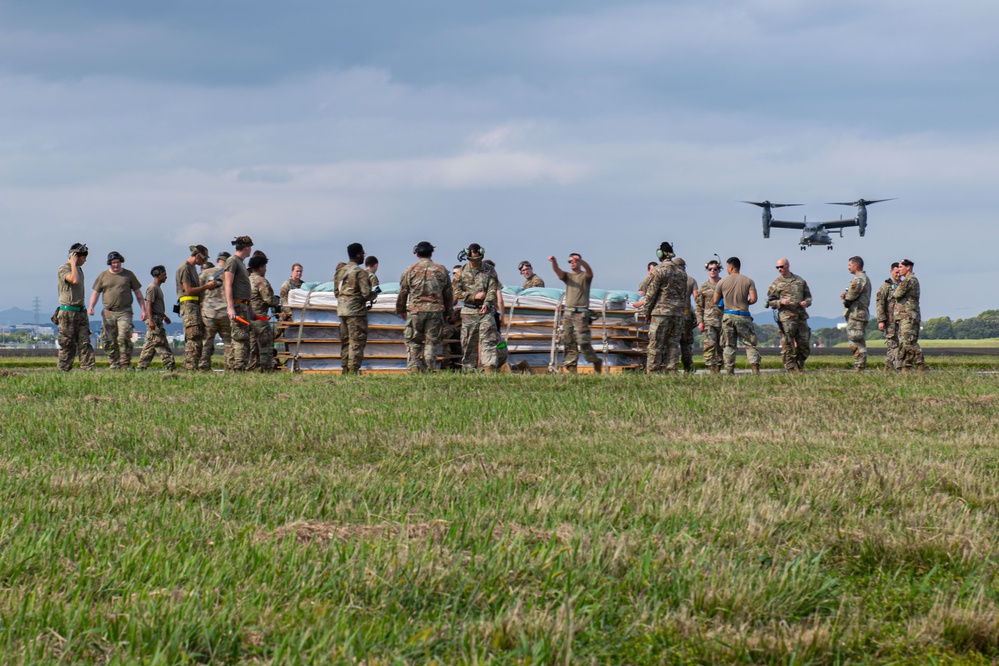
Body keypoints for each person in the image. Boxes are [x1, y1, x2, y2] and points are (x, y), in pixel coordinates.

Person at [396, 241, 454, 373]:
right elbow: (448, 294)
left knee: (413, 340)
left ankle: (414, 366)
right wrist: (448, 312)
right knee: (431, 342)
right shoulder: (441, 270)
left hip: (416, 311)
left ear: (417, 253)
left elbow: (403, 292)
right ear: (431, 253)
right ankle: (429, 367)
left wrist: (401, 310)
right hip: (435, 311)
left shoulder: (410, 270)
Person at [88, 251, 145, 369]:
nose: (116, 265)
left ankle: (125, 362)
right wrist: (91, 307)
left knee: (123, 336)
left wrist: (143, 310)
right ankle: (114, 363)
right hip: (108, 312)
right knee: (109, 339)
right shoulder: (103, 276)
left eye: (118, 262)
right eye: (113, 263)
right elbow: (96, 293)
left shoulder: (128, 275)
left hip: (124, 311)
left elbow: (138, 293)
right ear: (110, 263)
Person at [549, 252, 602, 374]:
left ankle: (595, 361)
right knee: (568, 341)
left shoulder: (585, 277)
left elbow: (589, 271)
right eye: (570, 261)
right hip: (568, 313)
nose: (572, 263)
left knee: (583, 341)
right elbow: (557, 271)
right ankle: (572, 369)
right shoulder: (568, 276)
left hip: (581, 314)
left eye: (574, 261)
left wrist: (581, 261)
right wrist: (554, 262)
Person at [454, 244, 503, 372]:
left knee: (488, 340)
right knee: (469, 342)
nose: (475, 262)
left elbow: (492, 289)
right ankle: (469, 369)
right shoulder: (461, 272)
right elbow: (456, 292)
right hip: (468, 312)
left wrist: (487, 303)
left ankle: (489, 367)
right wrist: (473, 296)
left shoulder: (490, 270)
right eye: (473, 260)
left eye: (477, 259)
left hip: (486, 311)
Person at [641, 243, 687, 373]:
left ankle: (652, 371)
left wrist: (646, 312)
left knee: (656, 343)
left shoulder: (658, 270)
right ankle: (672, 370)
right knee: (673, 344)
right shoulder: (681, 272)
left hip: (660, 313)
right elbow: (683, 294)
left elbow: (651, 294)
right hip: (677, 313)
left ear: (660, 254)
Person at [713, 256, 760, 375]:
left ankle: (729, 371)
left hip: (728, 315)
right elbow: (754, 299)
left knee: (729, 345)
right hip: (743, 315)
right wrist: (745, 302)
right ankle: (755, 369)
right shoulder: (748, 281)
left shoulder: (722, 282)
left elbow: (715, 300)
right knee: (750, 344)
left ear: (731, 267)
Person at [175, 245, 218, 371]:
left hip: (195, 305)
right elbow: (188, 290)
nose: (204, 261)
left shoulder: (192, 268)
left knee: (198, 336)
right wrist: (206, 287)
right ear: (198, 256)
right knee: (193, 337)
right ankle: (190, 367)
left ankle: (194, 365)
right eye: (204, 258)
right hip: (189, 305)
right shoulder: (184, 268)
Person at [333, 243, 373, 374]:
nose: (363, 256)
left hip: (342, 310)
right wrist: (375, 294)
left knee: (345, 341)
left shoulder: (340, 271)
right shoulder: (361, 273)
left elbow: (336, 292)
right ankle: (353, 371)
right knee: (356, 342)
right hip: (356, 312)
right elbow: (366, 294)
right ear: (358, 255)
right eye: (363, 254)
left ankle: (345, 368)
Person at [55, 242, 96, 371]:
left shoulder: (78, 269)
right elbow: (74, 280)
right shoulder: (64, 268)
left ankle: (88, 369)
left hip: (80, 311)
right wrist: (72, 263)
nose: (85, 260)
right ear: (75, 256)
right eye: (83, 258)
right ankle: (63, 370)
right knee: (68, 344)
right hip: (68, 312)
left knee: (85, 343)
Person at [767, 258, 812, 372]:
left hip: (801, 316)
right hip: (786, 318)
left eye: (781, 267)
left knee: (804, 344)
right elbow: (770, 301)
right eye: (777, 267)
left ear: (787, 266)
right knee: (788, 345)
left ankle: (799, 365)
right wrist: (780, 302)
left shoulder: (799, 280)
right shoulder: (776, 283)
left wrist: (806, 302)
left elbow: (808, 296)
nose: (779, 269)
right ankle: (791, 368)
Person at [223, 236, 255, 372]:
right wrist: (230, 307)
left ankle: (232, 367)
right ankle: (238, 368)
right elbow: (228, 284)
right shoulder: (232, 261)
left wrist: (250, 307)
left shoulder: (240, 262)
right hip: (237, 305)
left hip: (244, 305)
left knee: (241, 338)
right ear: (246, 248)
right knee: (240, 337)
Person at [137, 266, 175, 371]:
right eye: (164, 274)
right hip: (154, 321)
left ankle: (140, 368)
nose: (166, 277)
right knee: (161, 344)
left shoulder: (157, 288)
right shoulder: (152, 288)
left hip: (158, 319)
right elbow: (148, 305)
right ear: (157, 274)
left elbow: (157, 307)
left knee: (149, 347)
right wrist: (151, 321)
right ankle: (170, 366)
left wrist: (164, 316)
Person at [248, 254, 280, 371]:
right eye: (265, 267)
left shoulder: (246, 280)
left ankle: (251, 369)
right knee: (265, 348)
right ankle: (266, 369)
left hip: (247, 319)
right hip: (260, 319)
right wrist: (277, 300)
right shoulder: (261, 281)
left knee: (252, 348)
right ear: (261, 267)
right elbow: (269, 300)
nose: (265, 269)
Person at [200, 252, 232, 370]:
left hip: (209, 314)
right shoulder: (230, 274)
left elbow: (198, 290)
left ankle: (204, 366)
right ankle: (229, 367)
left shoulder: (205, 273)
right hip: (225, 313)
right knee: (228, 343)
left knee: (207, 342)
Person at [893, 258, 925, 373]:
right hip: (906, 316)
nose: (899, 270)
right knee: (904, 343)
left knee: (908, 343)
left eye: (901, 267)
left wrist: (895, 287)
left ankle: (920, 361)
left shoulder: (909, 280)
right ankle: (906, 369)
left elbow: (897, 294)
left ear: (908, 267)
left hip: (908, 316)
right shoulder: (909, 280)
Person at [840, 256, 872, 372]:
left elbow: (850, 299)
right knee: (859, 341)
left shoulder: (858, 280)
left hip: (856, 314)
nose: (848, 267)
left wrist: (844, 298)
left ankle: (859, 365)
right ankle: (860, 365)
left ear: (856, 265)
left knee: (855, 342)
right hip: (861, 314)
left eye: (850, 265)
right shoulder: (864, 279)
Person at [695, 258, 724, 374]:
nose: (712, 271)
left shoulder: (724, 284)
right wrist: (699, 321)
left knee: (722, 347)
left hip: (723, 320)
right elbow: (698, 306)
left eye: (715, 269)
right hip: (708, 321)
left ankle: (719, 368)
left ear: (719, 270)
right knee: (709, 346)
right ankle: (712, 370)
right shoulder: (703, 287)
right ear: (707, 271)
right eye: (710, 269)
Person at [674, 257, 699, 374]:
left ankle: (672, 367)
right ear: (684, 267)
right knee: (686, 343)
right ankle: (688, 367)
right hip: (686, 313)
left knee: (672, 342)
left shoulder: (671, 280)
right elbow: (697, 299)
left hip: (673, 314)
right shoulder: (691, 280)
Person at [875, 262, 901, 372]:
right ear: (891, 272)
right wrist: (881, 320)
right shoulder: (885, 287)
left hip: (901, 320)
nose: (898, 275)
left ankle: (888, 368)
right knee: (892, 345)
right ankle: (896, 367)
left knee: (899, 345)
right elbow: (880, 304)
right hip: (890, 320)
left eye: (900, 272)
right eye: (896, 272)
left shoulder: (903, 285)